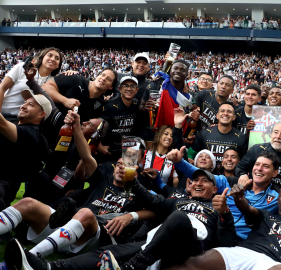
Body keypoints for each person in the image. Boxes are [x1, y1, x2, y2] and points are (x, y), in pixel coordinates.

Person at [7, 167, 236, 270]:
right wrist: (134, 182)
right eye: (194, 180)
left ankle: (132, 268)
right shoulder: (178, 200)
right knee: (107, 254)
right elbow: (154, 202)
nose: (197, 183)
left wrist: (224, 213)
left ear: (214, 188)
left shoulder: (219, 206)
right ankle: (50, 267)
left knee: (178, 218)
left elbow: (227, 244)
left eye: (204, 181)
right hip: (156, 242)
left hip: (190, 245)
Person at [0, 109, 150, 260]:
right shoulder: (102, 178)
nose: (122, 167)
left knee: (85, 213)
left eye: (129, 162)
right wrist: (77, 127)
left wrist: (131, 216)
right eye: (119, 164)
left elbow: (162, 207)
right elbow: (86, 155)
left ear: (138, 167)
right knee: (27, 203)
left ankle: (28, 258)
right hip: (68, 227)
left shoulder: (141, 188)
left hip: (94, 237)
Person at [142, 184, 281, 270]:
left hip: (268, 263)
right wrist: (238, 197)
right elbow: (246, 208)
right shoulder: (267, 215)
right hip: (241, 252)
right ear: (278, 198)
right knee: (190, 264)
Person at [169, 148, 280, 240]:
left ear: (275, 172)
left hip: (244, 243)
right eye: (257, 164)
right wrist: (180, 162)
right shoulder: (232, 182)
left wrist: (240, 200)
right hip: (216, 232)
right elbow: (204, 176)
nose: (259, 169)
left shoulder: (276, 198)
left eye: (265, 166)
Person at [0, 89, 50, 210]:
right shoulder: (13, 120)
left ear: (41, 114)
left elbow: (1, 123)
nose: (23, 106)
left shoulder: (32, 134)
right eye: (25, 102)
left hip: (4, 183)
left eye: (31, 104)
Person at [0, 48, 63, 120]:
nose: (53, 59)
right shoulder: (23, 67)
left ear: (58, 65)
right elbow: (2, 88)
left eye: (57, 58)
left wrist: (71, 73)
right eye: (50, 55)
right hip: (3, 113)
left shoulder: (55, 81)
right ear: (42, 58)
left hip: (25, 122)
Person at [43, 66, 117, 123]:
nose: (103, 78)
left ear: (111, 87)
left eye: (108, 79)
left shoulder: (100, 104)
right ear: (96, 76)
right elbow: (45, 87)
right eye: (102, 75)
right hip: (44, 124)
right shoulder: (75, 79)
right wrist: (64, 100)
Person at [188, 101, 247, 171]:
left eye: (229, 112)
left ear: (234, 117)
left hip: (230, 178)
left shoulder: (241, 137)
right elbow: (190, 153)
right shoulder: (204, 133)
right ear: (217, 116)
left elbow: (244, 162)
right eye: (222, 111)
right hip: (206, 177)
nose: (225, 114)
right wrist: (190, 162)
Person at [99, 76, 141, 161]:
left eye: (132, 86)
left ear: (137, 90)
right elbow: (96, 127)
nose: (129, 88)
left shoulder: (136, 104)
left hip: (126, 149)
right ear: (120, 89)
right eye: (126, 85)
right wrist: (99, 147)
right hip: (108, 149)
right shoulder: (109, 105)